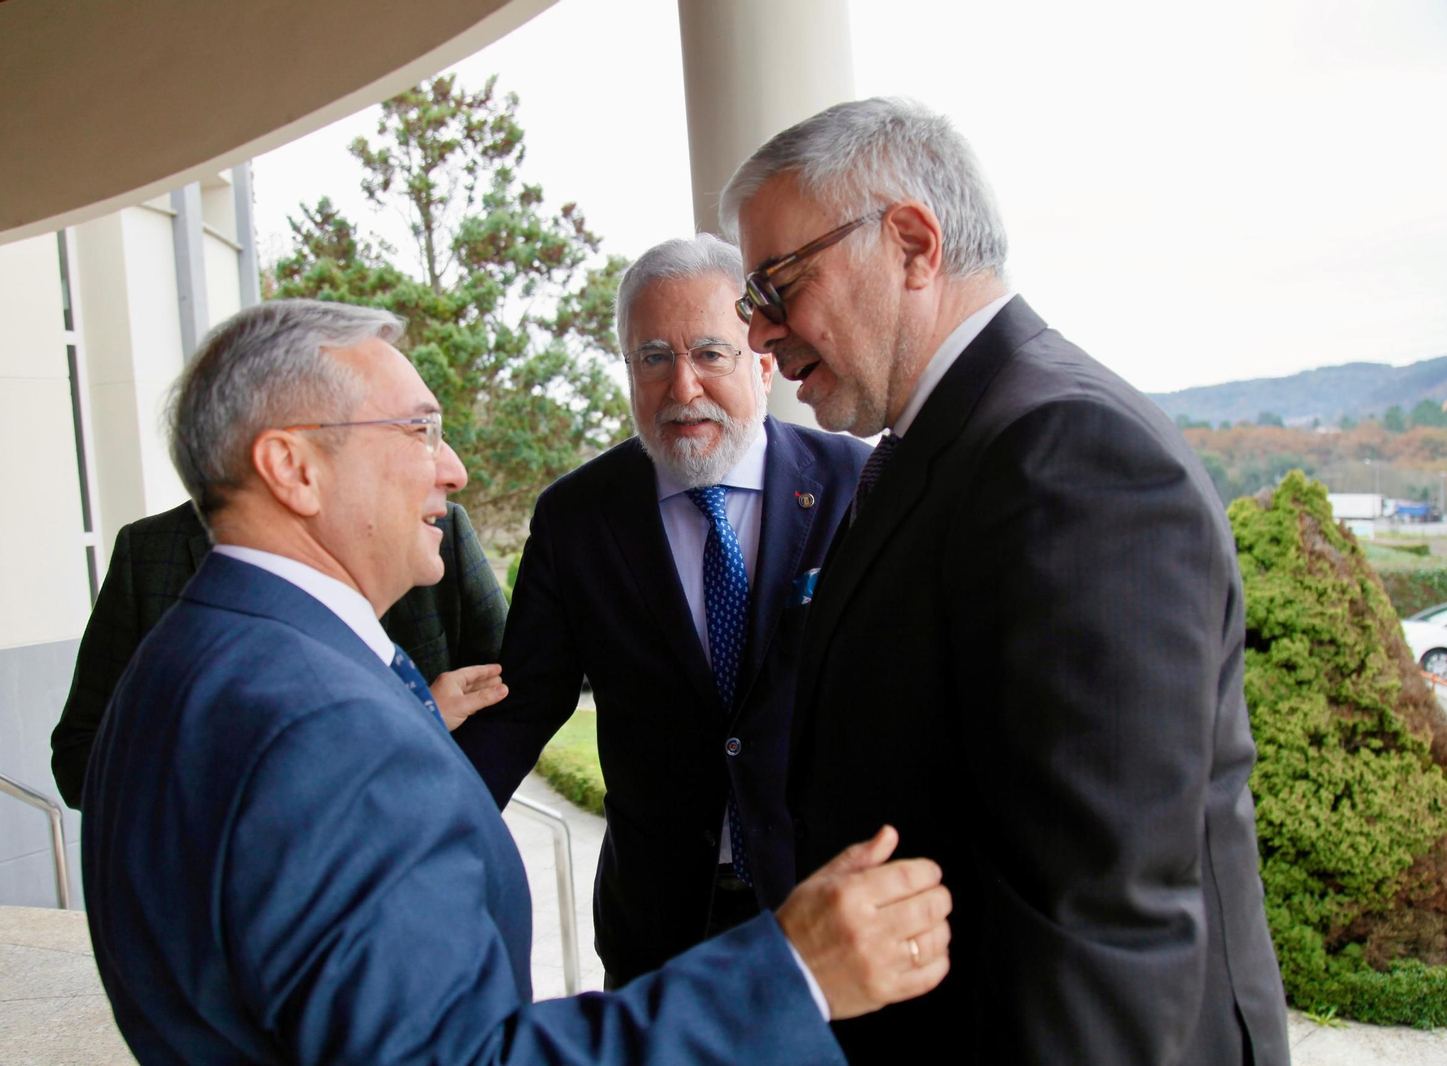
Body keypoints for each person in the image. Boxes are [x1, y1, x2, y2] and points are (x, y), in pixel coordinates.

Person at [80, 298, 953, 1065]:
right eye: (418, 430)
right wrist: (792, 975)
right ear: (293, 469)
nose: (453, 469)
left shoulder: (188, 659)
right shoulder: (329, 729)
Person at [720, 98, 1291, 1064]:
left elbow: (1104, 915)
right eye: (751, 303)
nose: (761, 337)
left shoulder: (1067, 451)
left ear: (910, 243)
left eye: (778, 284)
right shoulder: (931, 447)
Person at [453, 234, 870, 986]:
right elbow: (522, 710)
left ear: (764, 359)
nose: (682, 388)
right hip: (659, 929)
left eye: (712, 353)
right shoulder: (577, 517)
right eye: (653, 358)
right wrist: (406, 839)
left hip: (828, 912)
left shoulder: (856, 486)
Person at [49, 496, 506, 809]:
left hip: (413, 875)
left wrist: (453, 818)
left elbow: (514, 701)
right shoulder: (149, 553)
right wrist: (416, 717)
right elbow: (79, 761)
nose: (449, 470)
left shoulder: (438, 532)